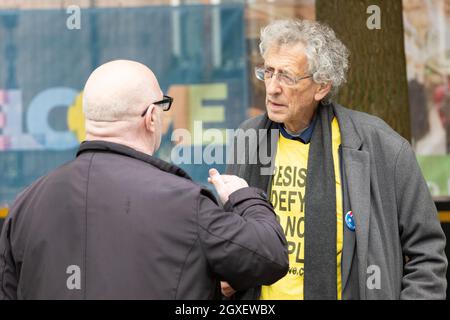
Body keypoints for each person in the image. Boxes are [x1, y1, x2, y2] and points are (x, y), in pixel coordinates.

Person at [0, 60, 288, 299]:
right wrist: (243, 197)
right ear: (151, 116)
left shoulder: (27, 204)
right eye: (162, 106)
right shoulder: (185, 202)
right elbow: (269, 257)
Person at [225, 19, 448, 300]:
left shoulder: (381, 147)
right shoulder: (249, 137)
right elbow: (231, 234)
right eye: (268, 72)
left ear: (321, 87)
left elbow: (427, 252)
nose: (272, 88)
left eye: (287, 76)